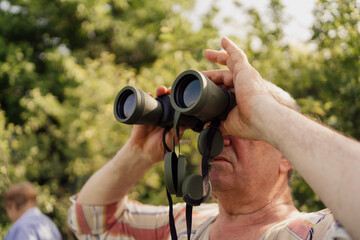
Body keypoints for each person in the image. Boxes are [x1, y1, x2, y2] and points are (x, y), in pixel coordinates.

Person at [67, 37, 360, 240]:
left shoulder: (314, 231)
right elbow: (89, 222)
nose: (222, 134)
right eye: (216, 123)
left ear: (286, 155)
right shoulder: (184, 222)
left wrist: (262, 108)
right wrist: (137, 153)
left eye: (246, 127)